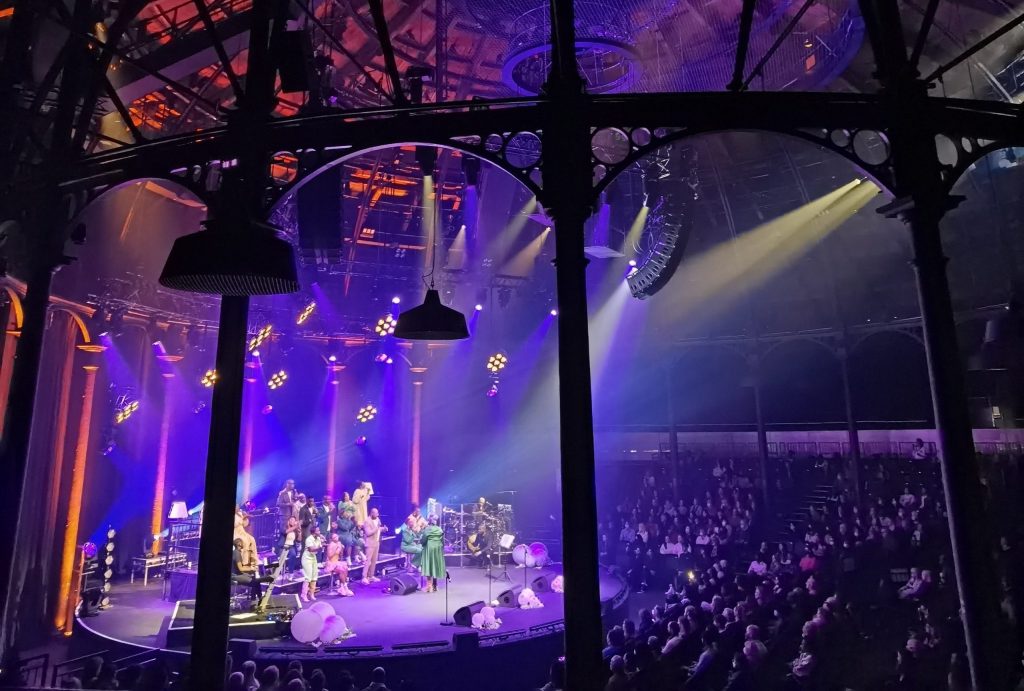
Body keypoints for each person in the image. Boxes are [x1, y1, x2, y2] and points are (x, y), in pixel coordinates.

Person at [419, 515, 445, 592]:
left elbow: (423, 540)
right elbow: (442, 540)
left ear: (429, 521)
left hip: (429, 548)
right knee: (435, 565)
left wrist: (422, 544)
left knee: (429, 565)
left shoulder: (427, 529)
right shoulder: (439, 529)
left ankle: (429, 586)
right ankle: (435, 585)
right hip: (437, 548)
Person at [324, 532, 353, 596]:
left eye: (337, 536)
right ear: (332, 539)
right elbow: (329, 556)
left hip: (336, 562)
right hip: (330, 563)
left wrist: (341, 548)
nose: (336, 538)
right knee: (342, 570)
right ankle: (344, 586)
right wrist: (336, 548)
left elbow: (340, 554)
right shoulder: (331, 545)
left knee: (345, 568)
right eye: (334, 537)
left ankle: (343, 586)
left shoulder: (339, 543)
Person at [361, 507, 384, 584]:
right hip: (370, 543)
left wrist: (383, 529)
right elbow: (368, 533)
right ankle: (364, 577)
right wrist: (377, 528)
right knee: (368, 561)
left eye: (378, 513)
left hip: (376, 542)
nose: (378, 515)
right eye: (376, 513)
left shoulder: (377, 519)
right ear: (371, 513)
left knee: (374, 560)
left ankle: (371, 576)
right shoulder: (367, 521)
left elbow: (378, 529)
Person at [302, 525, 324, 602]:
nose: (319, 532)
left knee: (314, 576)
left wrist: (323, 542)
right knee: (308, 577)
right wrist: (320, 547)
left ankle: (311, 594)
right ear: (314, 532)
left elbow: (320, 546)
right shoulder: (309, 539)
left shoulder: (318, 538)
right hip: (306, 558)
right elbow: (311, 549)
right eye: (318, 531)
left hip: (313, 557)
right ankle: (304, 595)